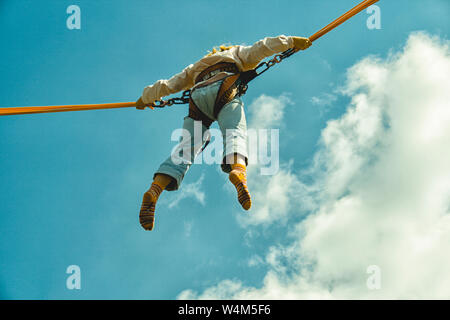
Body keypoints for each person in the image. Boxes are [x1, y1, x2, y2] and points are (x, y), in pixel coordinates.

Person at [135, 35, 312, 231]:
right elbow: (262, 48)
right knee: (234, 133)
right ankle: (238, 171)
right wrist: (291, 42)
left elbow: (168, 85)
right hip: (225, 86)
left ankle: (155, 190)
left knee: (185, 149)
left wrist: (145, 98)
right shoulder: (236, 53)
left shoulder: (196, 67)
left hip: (197, 94)